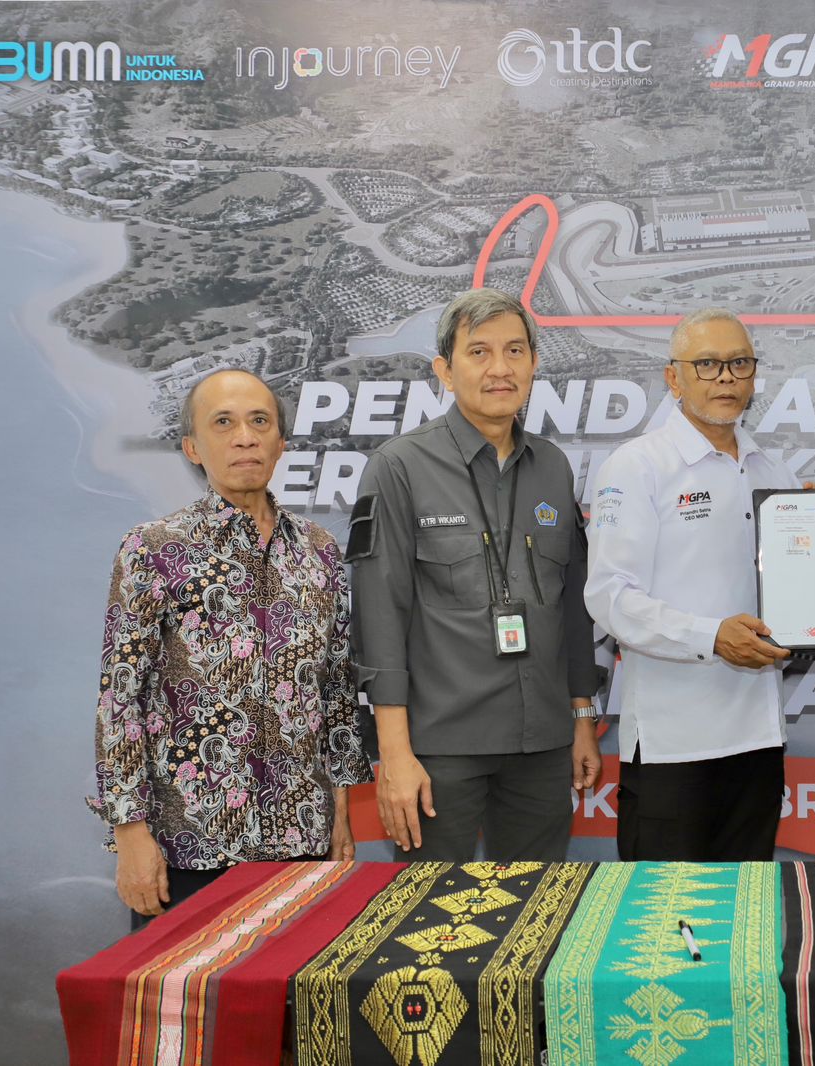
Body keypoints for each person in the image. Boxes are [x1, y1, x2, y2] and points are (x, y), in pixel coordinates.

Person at [91, 368, 372, 924]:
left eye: (259, 421)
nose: (245, 437)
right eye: (223, 423)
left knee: (297, 982)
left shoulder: (319, 551)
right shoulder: (153, 550)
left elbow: (337, 694)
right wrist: (129, 833)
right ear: (192, 448)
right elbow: (120, 701)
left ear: (281, 442)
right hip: (190, 846)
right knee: (188, 984)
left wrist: (340, 809)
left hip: (303, 837)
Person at [348, 289, 600, 862]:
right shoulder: (398, 467)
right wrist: (395, 754)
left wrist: (581, 717)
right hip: (441, 749)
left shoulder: (553, 466)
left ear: (534, 364)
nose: (500, 368)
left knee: (536, 902)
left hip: (542, 745)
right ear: (445, 370)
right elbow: (379, 616)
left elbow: (572, 607)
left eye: (515, 351)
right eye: (479, 352)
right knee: (433, 908)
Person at [583, 308, 795, 860]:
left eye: (739, 363)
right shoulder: (637, 467)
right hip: (673, 747)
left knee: (745, 900)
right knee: (665, 908)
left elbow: (796, 588)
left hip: (759, 740)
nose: (725, 377)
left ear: (753, 375)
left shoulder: (773, 471)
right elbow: (609, 596)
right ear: (673, 378)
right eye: (707, 364)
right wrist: (711, 637)